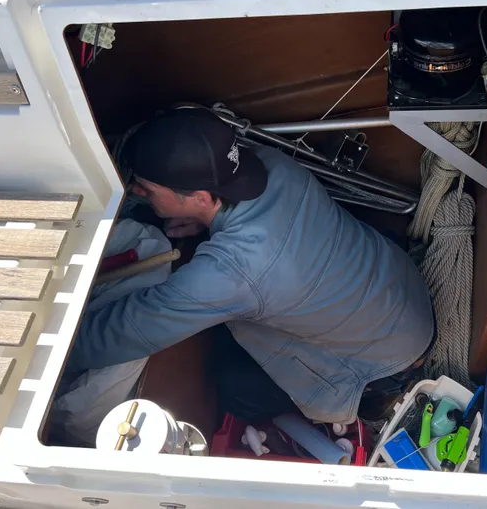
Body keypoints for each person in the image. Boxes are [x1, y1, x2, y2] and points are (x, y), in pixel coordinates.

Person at [67, 106, 435, 425]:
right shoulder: (271, 164)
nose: (136, 193)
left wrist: (54, 343)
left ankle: (375, 401)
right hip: (403, 285)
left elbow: (126, 331)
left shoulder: (235, 271)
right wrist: (204, 221)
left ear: (197, 197)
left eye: (146, 189)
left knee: (233, 387)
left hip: (389, 362)